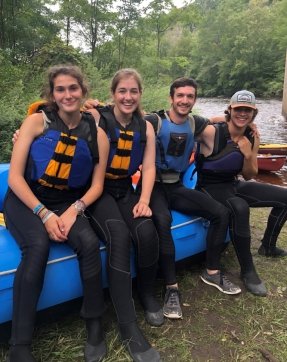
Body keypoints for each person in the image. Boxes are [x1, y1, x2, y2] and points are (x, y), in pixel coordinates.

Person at [4, 65, 110, 362]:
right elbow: (14, 177)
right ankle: (19, 346)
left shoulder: (97, 134)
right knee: (36, 246)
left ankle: (94, 323)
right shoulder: (36, 123)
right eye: (60, 89)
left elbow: (97, 185)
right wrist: (44, 214)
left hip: (67, 201)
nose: (67, 95)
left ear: (83, 91)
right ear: (52, 94)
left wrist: (75, 210)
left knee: (89, 244)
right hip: (26, 199)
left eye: (73, 88)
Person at [143, 77, 243, 320]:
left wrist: (231, 121)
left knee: (221, 213)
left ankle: (212, 270)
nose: (185, 100)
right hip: (153, 187)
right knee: (163, 222)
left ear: (194, 100)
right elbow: (124, 119)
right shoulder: (154, 121)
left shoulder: (195, 123)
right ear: (171, 98)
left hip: (175, 186)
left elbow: (220, 125)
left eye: (190, 96)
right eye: (180, 95)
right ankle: (171, 288)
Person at [84, 69, 162, 362]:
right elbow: (61, 119)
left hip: (125, 190)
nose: (128, 97)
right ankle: (127, 325)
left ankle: (146, 293)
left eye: (134, 92)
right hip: (98, 190)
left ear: (140, 94)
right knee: (119, 236)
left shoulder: (146, 127)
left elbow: (150, 167)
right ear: (113, 93)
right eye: (122, 91)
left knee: (146, 231)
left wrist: (143, 200)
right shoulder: (98, 118)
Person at [196, 90, 287, 294]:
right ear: (230, 109)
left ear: (254, 113)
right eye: (238, 109)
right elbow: (191, 122)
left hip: (232, 184)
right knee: (239, 206)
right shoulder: (213, 132)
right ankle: (248, 271)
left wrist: (248, 155)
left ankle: (268, 246)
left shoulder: (252, 137)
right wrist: (221, 118)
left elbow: (248, 175)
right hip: (208, 186)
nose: (243, 114)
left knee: (285, 197)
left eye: (248, 110)